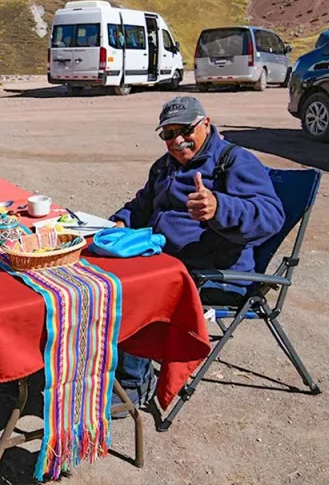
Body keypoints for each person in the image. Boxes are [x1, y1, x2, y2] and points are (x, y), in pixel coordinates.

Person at [108, 96, 285, 411]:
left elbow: (271, 216)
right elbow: (141, 205)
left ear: (205, 123)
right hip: (164, 261)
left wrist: (220, 207)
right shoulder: (164, 166)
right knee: (102, 274)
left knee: (138, 290)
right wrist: (120, 222)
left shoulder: (233, 161)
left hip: (213, 275)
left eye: (185, 130)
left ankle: (134, 385)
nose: (177, 141)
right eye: (168, 134)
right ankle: (110, 363)